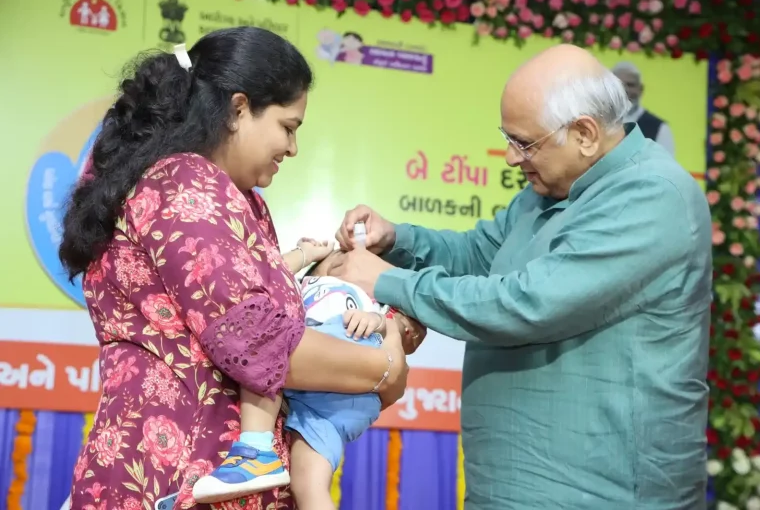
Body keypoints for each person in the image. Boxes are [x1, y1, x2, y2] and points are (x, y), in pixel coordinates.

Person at [330, 44, 712, 510]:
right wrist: (398, 241)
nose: (512, 157)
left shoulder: (653, 195)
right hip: (513, 485)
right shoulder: (548, 190)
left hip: (601, 492)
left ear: (585, 133)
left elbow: (528, 304)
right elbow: (479, 253)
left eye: (524, 142)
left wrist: (386, 282)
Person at [58, 27, 408, 510]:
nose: (293, 148)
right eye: (289, 126)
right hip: (174, 476)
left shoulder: (237, 198)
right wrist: (384, 368)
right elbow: (256, 343)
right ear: (239, 109)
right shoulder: (185, 184)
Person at [193, 246, 425, 509]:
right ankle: (260, 456)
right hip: (321, 406)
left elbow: (396, 329)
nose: (345, 260)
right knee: (307, 486)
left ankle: (255, 448)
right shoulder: (304, 284)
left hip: (347, 356)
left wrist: (377, 320)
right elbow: (268, 273)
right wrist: (304, 253)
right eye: (338, 257)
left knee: (264, 351)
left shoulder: (368, 298)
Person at [612, 60, 675, 156]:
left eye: (630, 85)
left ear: (641, 89)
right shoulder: (597, 122)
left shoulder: (660, 128)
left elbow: (665, 168)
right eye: (619, 84)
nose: (625, 90)